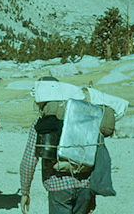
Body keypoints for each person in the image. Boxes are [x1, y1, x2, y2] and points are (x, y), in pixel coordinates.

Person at [19, 76, 95, 214]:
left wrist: (25, 191)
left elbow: (29, 161)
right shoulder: (81, 117)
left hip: (58, 186)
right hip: (85, 185)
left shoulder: (39, 124)